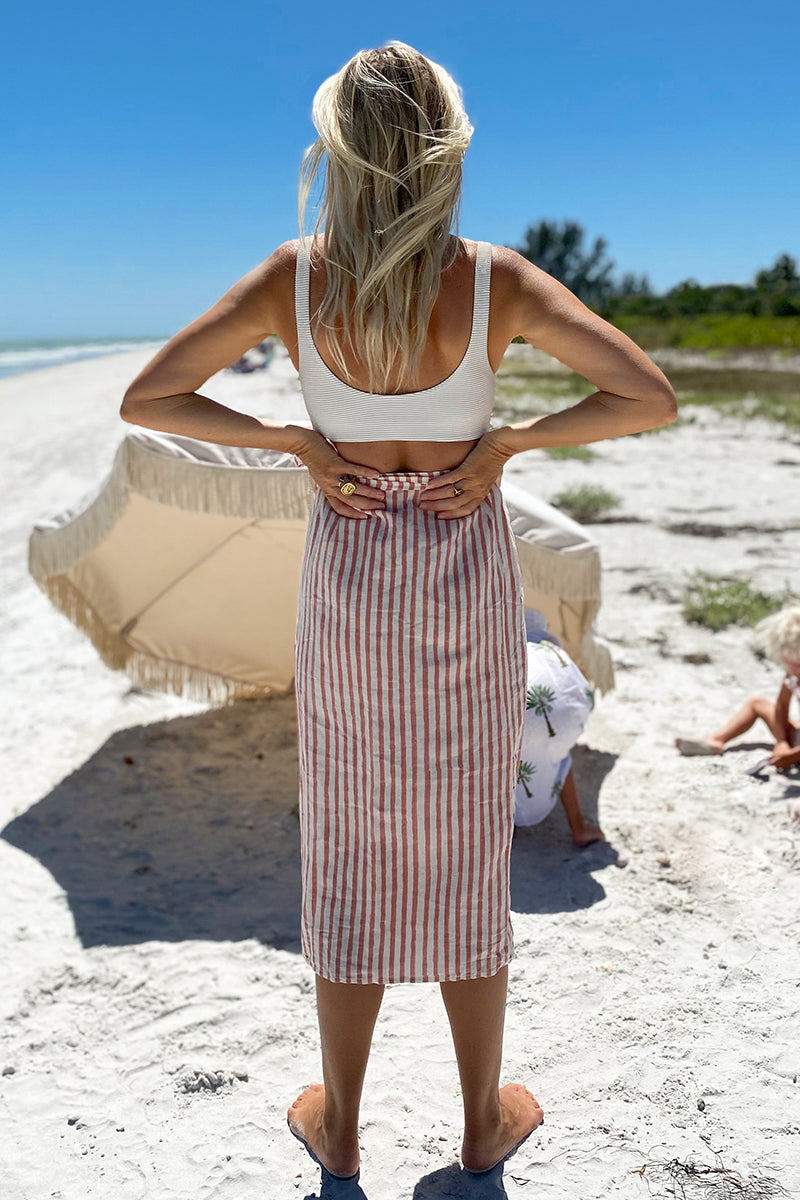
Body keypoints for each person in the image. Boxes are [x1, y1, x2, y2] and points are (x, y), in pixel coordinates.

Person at [120, 41, 676, 1181]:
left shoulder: (293, 276)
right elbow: (643, 396)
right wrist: (509, 444)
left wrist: (293, 440)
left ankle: (342, 1124)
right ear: (443, 151)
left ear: (339, 151)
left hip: (352, 561)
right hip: (463, 559)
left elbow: (151, 397)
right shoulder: (495, 279)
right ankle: (479, 1122)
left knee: (348, 833)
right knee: (466, 829)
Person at [515, 607, 604, 845]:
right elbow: (577, 690)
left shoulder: (483, 648)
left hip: (512, 714)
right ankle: (579, 827)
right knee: (559, 756)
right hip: (563, 710)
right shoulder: (549, 650)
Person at [675, 605, 800, 770]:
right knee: (756, 703)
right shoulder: (793, 674)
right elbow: (781, 706)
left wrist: (792, 756)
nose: (793, 670)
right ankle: (716, 740)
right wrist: (781, 742)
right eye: (789, 663)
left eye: (797, 665)